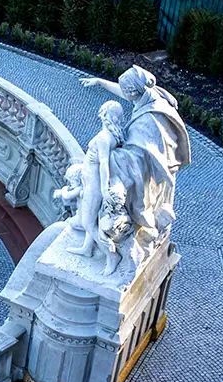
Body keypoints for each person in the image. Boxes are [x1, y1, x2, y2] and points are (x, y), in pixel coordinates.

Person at [80, 66, 191, 240]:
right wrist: (100, 82)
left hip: (148, 167)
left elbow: (141, 157)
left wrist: (110, 156)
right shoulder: (149, 95)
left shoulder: (149, 119)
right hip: (148, 159)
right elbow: (125, 93)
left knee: (113, 161)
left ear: (133, 91)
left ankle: (124, 214)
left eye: (126, 91)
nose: (124, 94)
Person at [68, 100, 127, 260]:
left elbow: (104, 164)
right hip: (91, 181)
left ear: (106, 115)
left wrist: (103, 189)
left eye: (103, 112)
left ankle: (112, 256)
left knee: (88, 223)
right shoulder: (113, 135)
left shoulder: (103, 138)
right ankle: (87, 248)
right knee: (92, 219)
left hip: (94, 185)